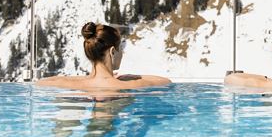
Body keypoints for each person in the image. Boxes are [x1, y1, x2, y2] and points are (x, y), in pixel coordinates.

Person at [37, 22, 171, 90]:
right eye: (120, 49)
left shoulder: (72, 84)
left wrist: (82, 79)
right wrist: (130, 77)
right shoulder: (125, 85)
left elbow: (39, 83)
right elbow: (166, 82)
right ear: (112, 51)